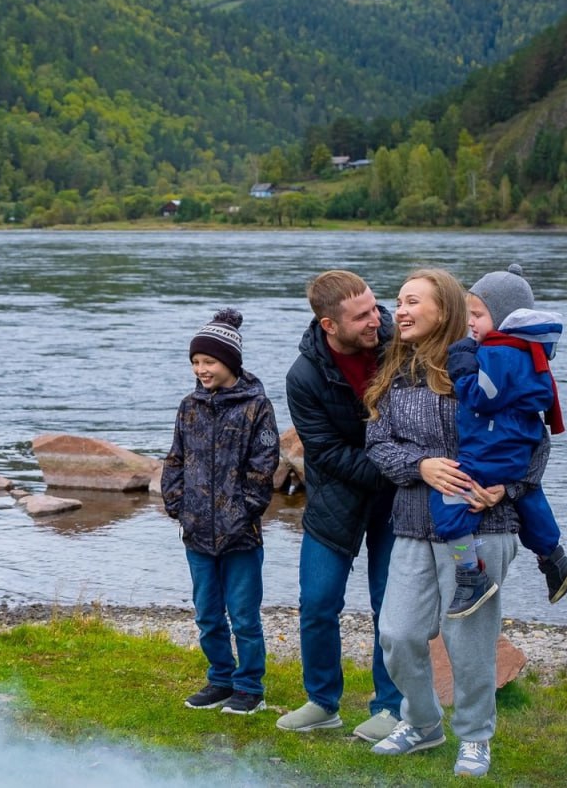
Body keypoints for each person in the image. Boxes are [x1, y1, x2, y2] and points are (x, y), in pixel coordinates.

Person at [363, 267, 550, 779]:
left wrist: (506, 489)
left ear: (443, 310)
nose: (398, 310)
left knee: (468, 643)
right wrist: (419, 466)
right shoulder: (394, 373)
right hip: (411, 526)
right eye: (398, 301)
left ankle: (475, 737)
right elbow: (378, 446)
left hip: (481, 528)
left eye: (411, 302)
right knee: (397, 634)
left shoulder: (485, 365)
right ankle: (422, 724)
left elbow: (535, 442)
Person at [274, 271, 403, 743]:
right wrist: (397, 466)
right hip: (336, 496)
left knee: (389, 607)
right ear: (329, 325)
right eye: (362, 315)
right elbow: (324, 452)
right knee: (318, 603)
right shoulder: (303, 375)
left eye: (375, 307)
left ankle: (391, 707)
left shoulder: (398, 344)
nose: (377, 319)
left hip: (398, 501)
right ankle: (322, 703)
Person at [435, 264, 567, 618]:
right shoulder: (529, 352)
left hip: (490, 447)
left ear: (502, 316)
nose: (470, 322)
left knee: (447, 501)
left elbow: (479, 397)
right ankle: (554, 558)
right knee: (529, 496)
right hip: (517, 443)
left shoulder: (498, 353)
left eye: (478, 315)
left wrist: (461, 361)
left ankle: (471, 576)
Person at [161, 308, 280, 716]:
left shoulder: (257, 407)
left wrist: (244, 512)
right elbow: (175, 458)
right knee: (208, 615)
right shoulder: (188, 407)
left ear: (229, 362)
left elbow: (264, 467)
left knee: (244, 617)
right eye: (195, 362)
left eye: (208, 361)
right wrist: (176, 505)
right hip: (196, 532)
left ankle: (249, 686)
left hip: (241, 535)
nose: (201, 369)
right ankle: (220, 678)